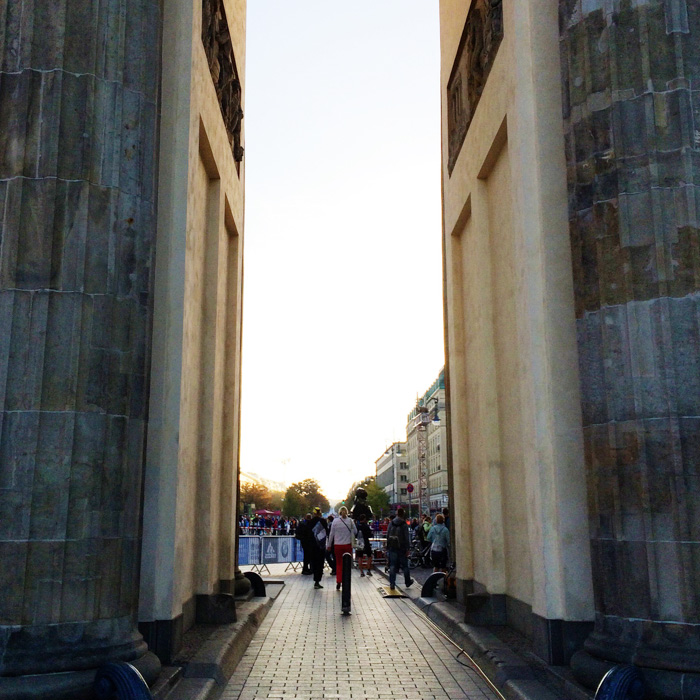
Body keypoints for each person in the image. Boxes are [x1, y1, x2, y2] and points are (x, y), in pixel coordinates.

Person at [327, 506, 356, 590]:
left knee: (339, 564)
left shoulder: (335, 521)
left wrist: (329, 545)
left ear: (339, 512)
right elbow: (355, 531)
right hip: (347, 545)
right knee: (347, 565)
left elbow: (331, 534)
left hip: (337, 545)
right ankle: (345, 581)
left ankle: (339, 581)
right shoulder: (350, 521)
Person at [386, 508, 413, 590]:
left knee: (392, 565)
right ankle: (407, 581)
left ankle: (392, 583)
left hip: (392, 547)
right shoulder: (404, 524)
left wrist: (388, 545)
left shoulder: (391, 523)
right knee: (405, 566)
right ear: (403, 514)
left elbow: (387, 534)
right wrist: (408, 548)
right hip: (402, 547)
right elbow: (406, 537)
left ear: (397, 514)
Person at [309, 507, 328, 588]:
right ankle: (317, 580)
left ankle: (315, 577)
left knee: (313, 562)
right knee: (320, 563)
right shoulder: (323, 521)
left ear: (314, 513)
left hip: (312, 545)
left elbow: (308, 533)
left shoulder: (310, 522)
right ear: (320, 513)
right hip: (321, 545)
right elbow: (327, 531)